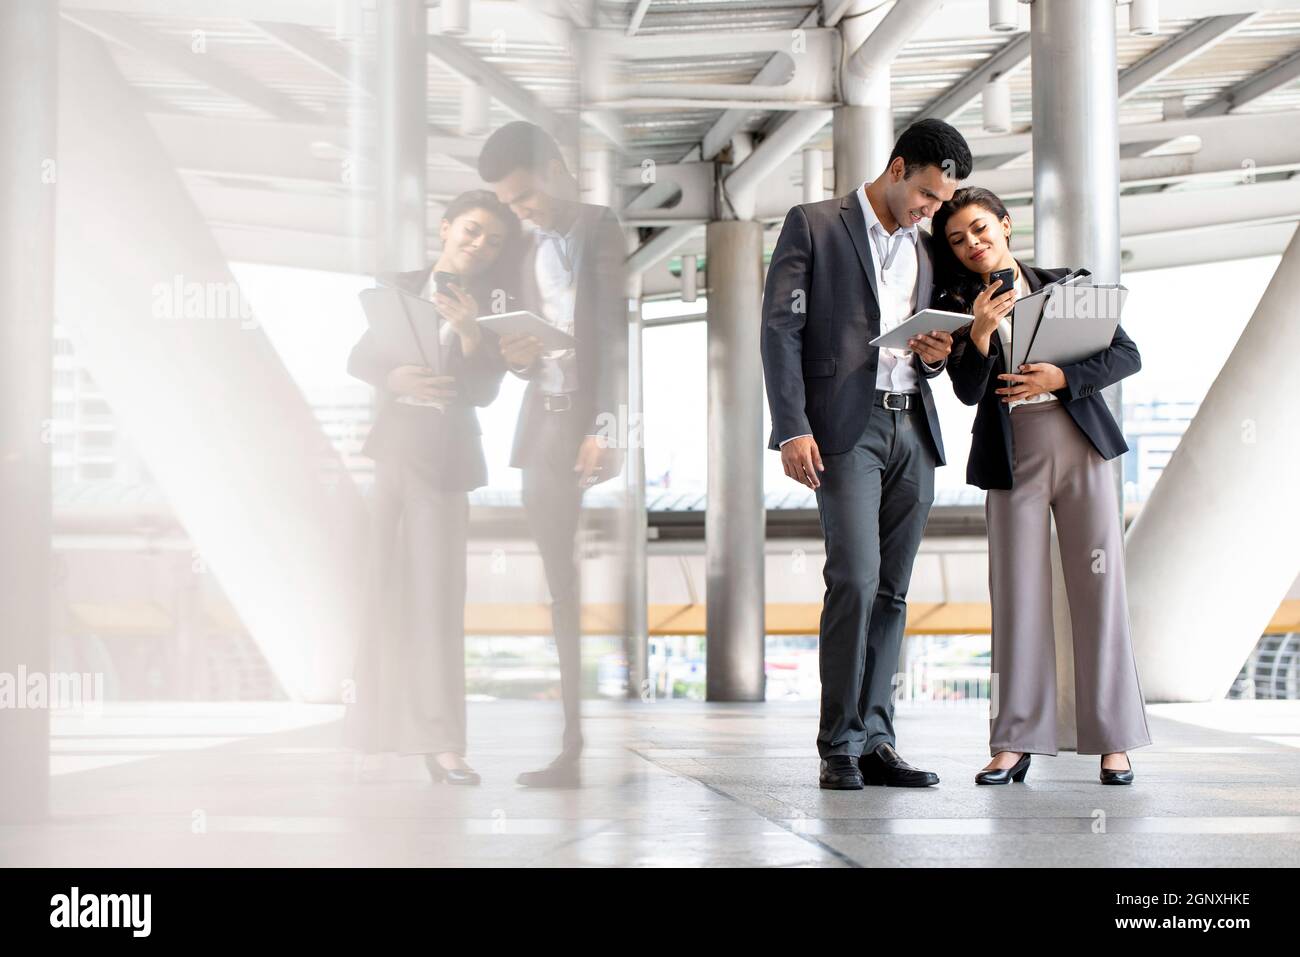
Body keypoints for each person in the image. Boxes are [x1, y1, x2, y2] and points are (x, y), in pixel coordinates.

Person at [761, 118, 971, 790]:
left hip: (913, 430)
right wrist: (791, 426)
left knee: (893, 591)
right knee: (853, 577)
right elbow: (780, 329)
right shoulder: (815, 223)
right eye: (929, 196)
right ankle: (838, 743)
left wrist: (937, 355)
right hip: (846, 431)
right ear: (898, 166)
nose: (933, 211)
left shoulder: (926, 248)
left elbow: (925, 339)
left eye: (941, 203)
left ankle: (878, 738)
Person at [931, 186, 1152, 786]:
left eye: (980, 228)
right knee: (1016, 595)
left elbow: (1126, 355)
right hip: (1011, 455)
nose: (972, 243)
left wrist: (1062, 376)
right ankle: (1014, 741)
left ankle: (1114, 742)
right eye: (957, 239)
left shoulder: (1066, 283)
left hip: (1081, 444)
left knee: (1099, 590)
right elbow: (967, 392)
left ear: (1005, 225)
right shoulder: (953, 303)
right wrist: (976, 336)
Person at [343, 190, 521, 785]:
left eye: (492, 240)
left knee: (438, 601)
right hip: (394, 450)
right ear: (446, 227)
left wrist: (471, 336)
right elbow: (360, 358)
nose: (479, 245)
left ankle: (443, 744)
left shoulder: (497, 306)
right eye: (472, 230)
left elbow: (484, 393)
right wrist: (393, 374)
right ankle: (370, 732)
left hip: (445, 458)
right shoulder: (400, 287)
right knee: (378, 591)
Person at [477, 121, 627, 789]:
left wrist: (606, 424)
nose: (519, 211)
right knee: (557, 581)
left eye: (525, 197)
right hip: (540, 423)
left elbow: (614, 336)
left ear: (558, 171)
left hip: (583, 424)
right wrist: (514, 356)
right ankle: (569, 744)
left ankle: (578, 738)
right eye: (508, 204)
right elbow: (513, 345)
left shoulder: (600, 227)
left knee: (575, 580)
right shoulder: (519, 247)